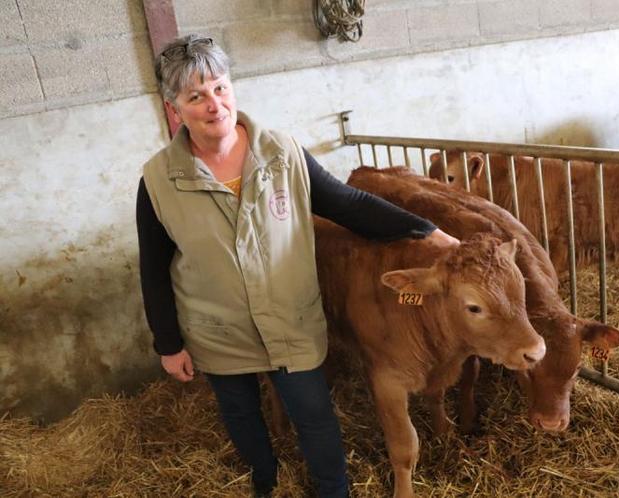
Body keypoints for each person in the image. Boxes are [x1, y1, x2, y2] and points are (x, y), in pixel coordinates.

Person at [136, 34, 458, 497]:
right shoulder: (157, 181)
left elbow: (349, 204)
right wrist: (168, 343)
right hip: (218, 327)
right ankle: (264, 481)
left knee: (314, 414)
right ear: (175, 110)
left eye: (220, 88)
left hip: (289, 317)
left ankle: (333, 490)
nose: (214, 105)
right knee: (242, 415)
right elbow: (154, 266)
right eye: (196, 96)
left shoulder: (283, 153)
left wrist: (428, 231)